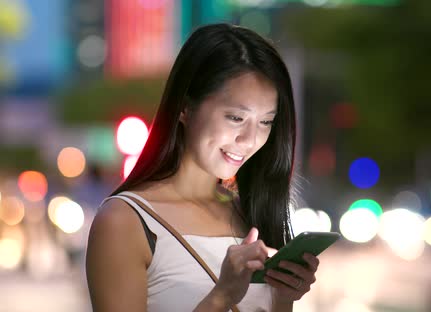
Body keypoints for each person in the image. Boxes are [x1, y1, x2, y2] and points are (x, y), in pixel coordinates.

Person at [85, 23, 319, 312]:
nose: (248, 140)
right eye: (235, 118)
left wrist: (284, 296)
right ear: (185, 108)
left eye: (266, 122)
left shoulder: (250, 214)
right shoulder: (125, 221)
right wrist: (221, 297)